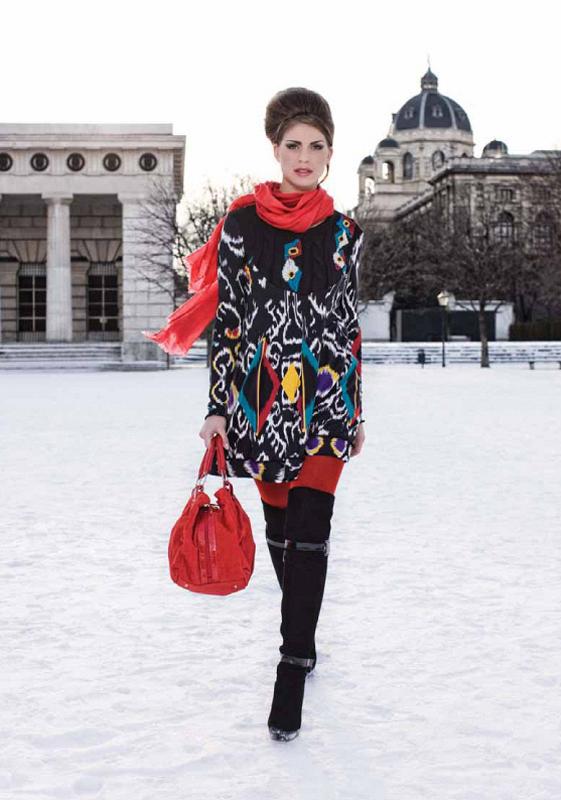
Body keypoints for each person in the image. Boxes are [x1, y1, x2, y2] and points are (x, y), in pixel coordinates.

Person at [145, 86, 366, 742]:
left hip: (324, 397)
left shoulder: (345, 233)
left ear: (330, 153)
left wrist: (354, 411)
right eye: (293, 144)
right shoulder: (240, 227)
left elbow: (348, 327)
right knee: (281, 530)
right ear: (274, 148)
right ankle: (301, 633)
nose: (304, 157)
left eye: (317, 146)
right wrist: (217, 407)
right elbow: (230, 325)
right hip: (260, 399)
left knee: (312, 531)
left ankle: (291, 668)